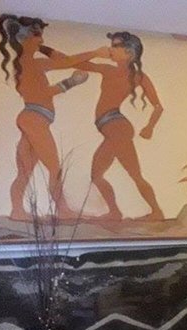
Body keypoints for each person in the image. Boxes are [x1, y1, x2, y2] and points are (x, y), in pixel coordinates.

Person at [0, 14, 110, 220]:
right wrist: (77, 74)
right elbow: (58, 73)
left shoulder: (26, 63)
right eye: (36, 35)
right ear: (24, 38)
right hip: (35, 120)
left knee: (24, 171)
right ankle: (63, 210)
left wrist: (44, 49)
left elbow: (60, 66)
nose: (41, 39)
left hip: (31, 119)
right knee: (54, 168)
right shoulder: (31, 63)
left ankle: (17, 211)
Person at [74, 31, 164, 220]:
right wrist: (95, 53)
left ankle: (123, 212)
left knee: (101, 174)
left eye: (116, 46)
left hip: (116, 128)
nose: (111, 49)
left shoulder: (137, 76)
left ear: (129, 52)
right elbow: (71, 62)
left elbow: (158, 106)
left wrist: (150, 127)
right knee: (129, 175)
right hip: (115, 128)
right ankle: (149, 211)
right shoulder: (108, 70)